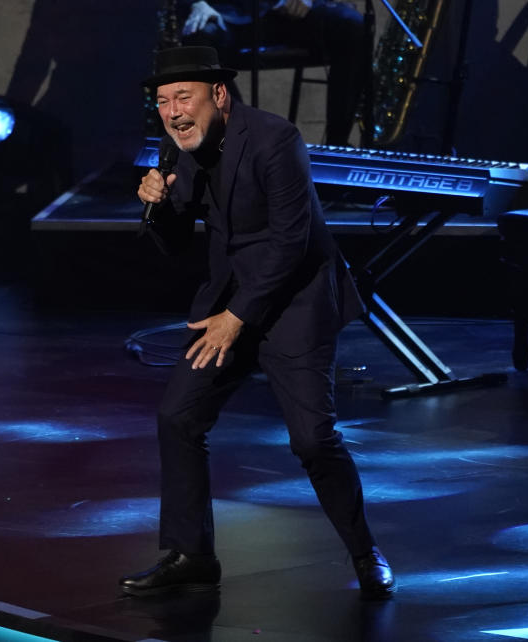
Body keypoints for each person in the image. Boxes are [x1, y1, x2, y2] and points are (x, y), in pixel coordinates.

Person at [119, 46, 394, 600]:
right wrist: (159, 204)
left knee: (314, 441)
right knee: (178, 416)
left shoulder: (274, 139)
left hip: (294, 301)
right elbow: (175, 246)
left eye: (183, 98)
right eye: (163, 102)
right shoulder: (181, 151)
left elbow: (292, 242)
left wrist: (237, 318)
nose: (173, 112)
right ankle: (192, 554)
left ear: (218, 95)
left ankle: (366, 552)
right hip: (229, 301)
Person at [179, 0, 370, 146]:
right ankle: (243, 142)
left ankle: (337, 147)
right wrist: (196, 3)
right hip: (224, 11)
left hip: (286, 11)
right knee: (198, 40)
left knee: (350, 25)